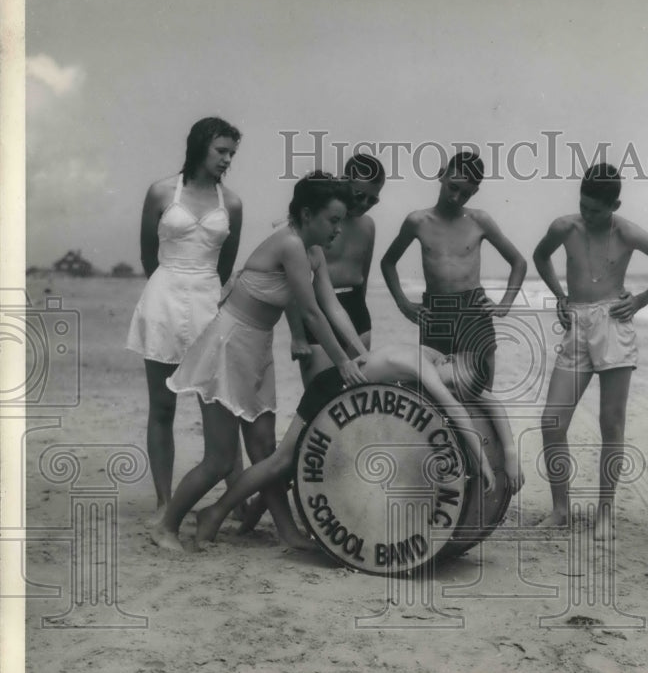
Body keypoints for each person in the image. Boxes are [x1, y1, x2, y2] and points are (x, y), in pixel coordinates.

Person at [149, 172, 369, 552]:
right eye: (333, 220)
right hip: (227, 346)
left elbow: (333, 306)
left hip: (256, 347)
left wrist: (361, 355)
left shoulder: (313, 251)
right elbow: (313, 315)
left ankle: (285, 530)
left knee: (265, 449)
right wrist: (342, 363)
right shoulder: (289, 245)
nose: (339, 228)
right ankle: (167, 525)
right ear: (306, 213)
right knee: (219, 459)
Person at [192, 345, 525, 548]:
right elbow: (451, 406)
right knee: (283, 461)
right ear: (447, 361)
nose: (451, 389)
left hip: (348, 393)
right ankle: (215, 512)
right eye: (452, 383)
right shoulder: (423, 365)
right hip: (330, 387)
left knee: (292, 465)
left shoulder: (443, 362)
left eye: (457, 388)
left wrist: (510, 455)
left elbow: (489, 400)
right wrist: (481, 460)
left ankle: (249, 520)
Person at [533, 163, 648, 540]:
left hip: (612, 323)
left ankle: (606, 512)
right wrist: (559, 295)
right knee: (551, 421)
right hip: (576, 322)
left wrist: (640, 300)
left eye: (596, 210)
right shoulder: (564, 227)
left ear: (614, 205)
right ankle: (560, 509)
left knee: (611, 423)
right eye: (584, 205)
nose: (587, 215)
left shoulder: (627, 232)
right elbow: (541, 257)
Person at [126, 117, 247, 511]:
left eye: (232, 153)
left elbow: (224, 266)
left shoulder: (231, 203)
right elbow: (148, 254)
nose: (228, 159)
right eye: (221, 151)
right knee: (162, 408)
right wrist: (169, 287)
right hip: (163, 300)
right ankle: (164, 502)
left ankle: (234, 501)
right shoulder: (161, 191)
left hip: (208, 304)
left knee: (219, 405)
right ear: (199, 147)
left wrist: (202, 293)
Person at [380, 150, 528, 391]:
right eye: (453, 187)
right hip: (435, 311)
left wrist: (504, 305)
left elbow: (518, 262)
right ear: (442, 176)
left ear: (475, 192)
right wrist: (404, 305)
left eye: (466, 193)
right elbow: (388, 262)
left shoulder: (479, 220)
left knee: (479, 391)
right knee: (435, 390)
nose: (457, 197)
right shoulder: (418, 221)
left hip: (473, 309)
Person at [286, 154, 385, 385]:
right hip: (317, 310)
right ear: (344, 183)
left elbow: (364, 276)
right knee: (319, 393)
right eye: (359, 195)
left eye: (373, 200)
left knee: (356, 394)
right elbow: (290, 285)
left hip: (356, 311)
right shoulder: (318, 224)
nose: (364, 204)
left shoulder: (368, 226)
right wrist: (297, 334)